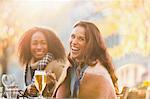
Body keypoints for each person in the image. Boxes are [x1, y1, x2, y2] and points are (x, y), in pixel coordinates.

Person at [56, 21, 119, 99]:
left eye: (81, 39)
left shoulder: (96, 73)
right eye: (73, 36)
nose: (74, 42)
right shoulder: (72, 67)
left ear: (91, 44)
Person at [18, 27, 67, 97]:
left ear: (49, 45)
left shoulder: (57, 66)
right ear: (28, 46)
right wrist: (28, 90)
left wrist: (51, 85)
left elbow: (67, 94)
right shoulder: (28, 67)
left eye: (43, 43)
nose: (39, 47)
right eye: (35, 43)